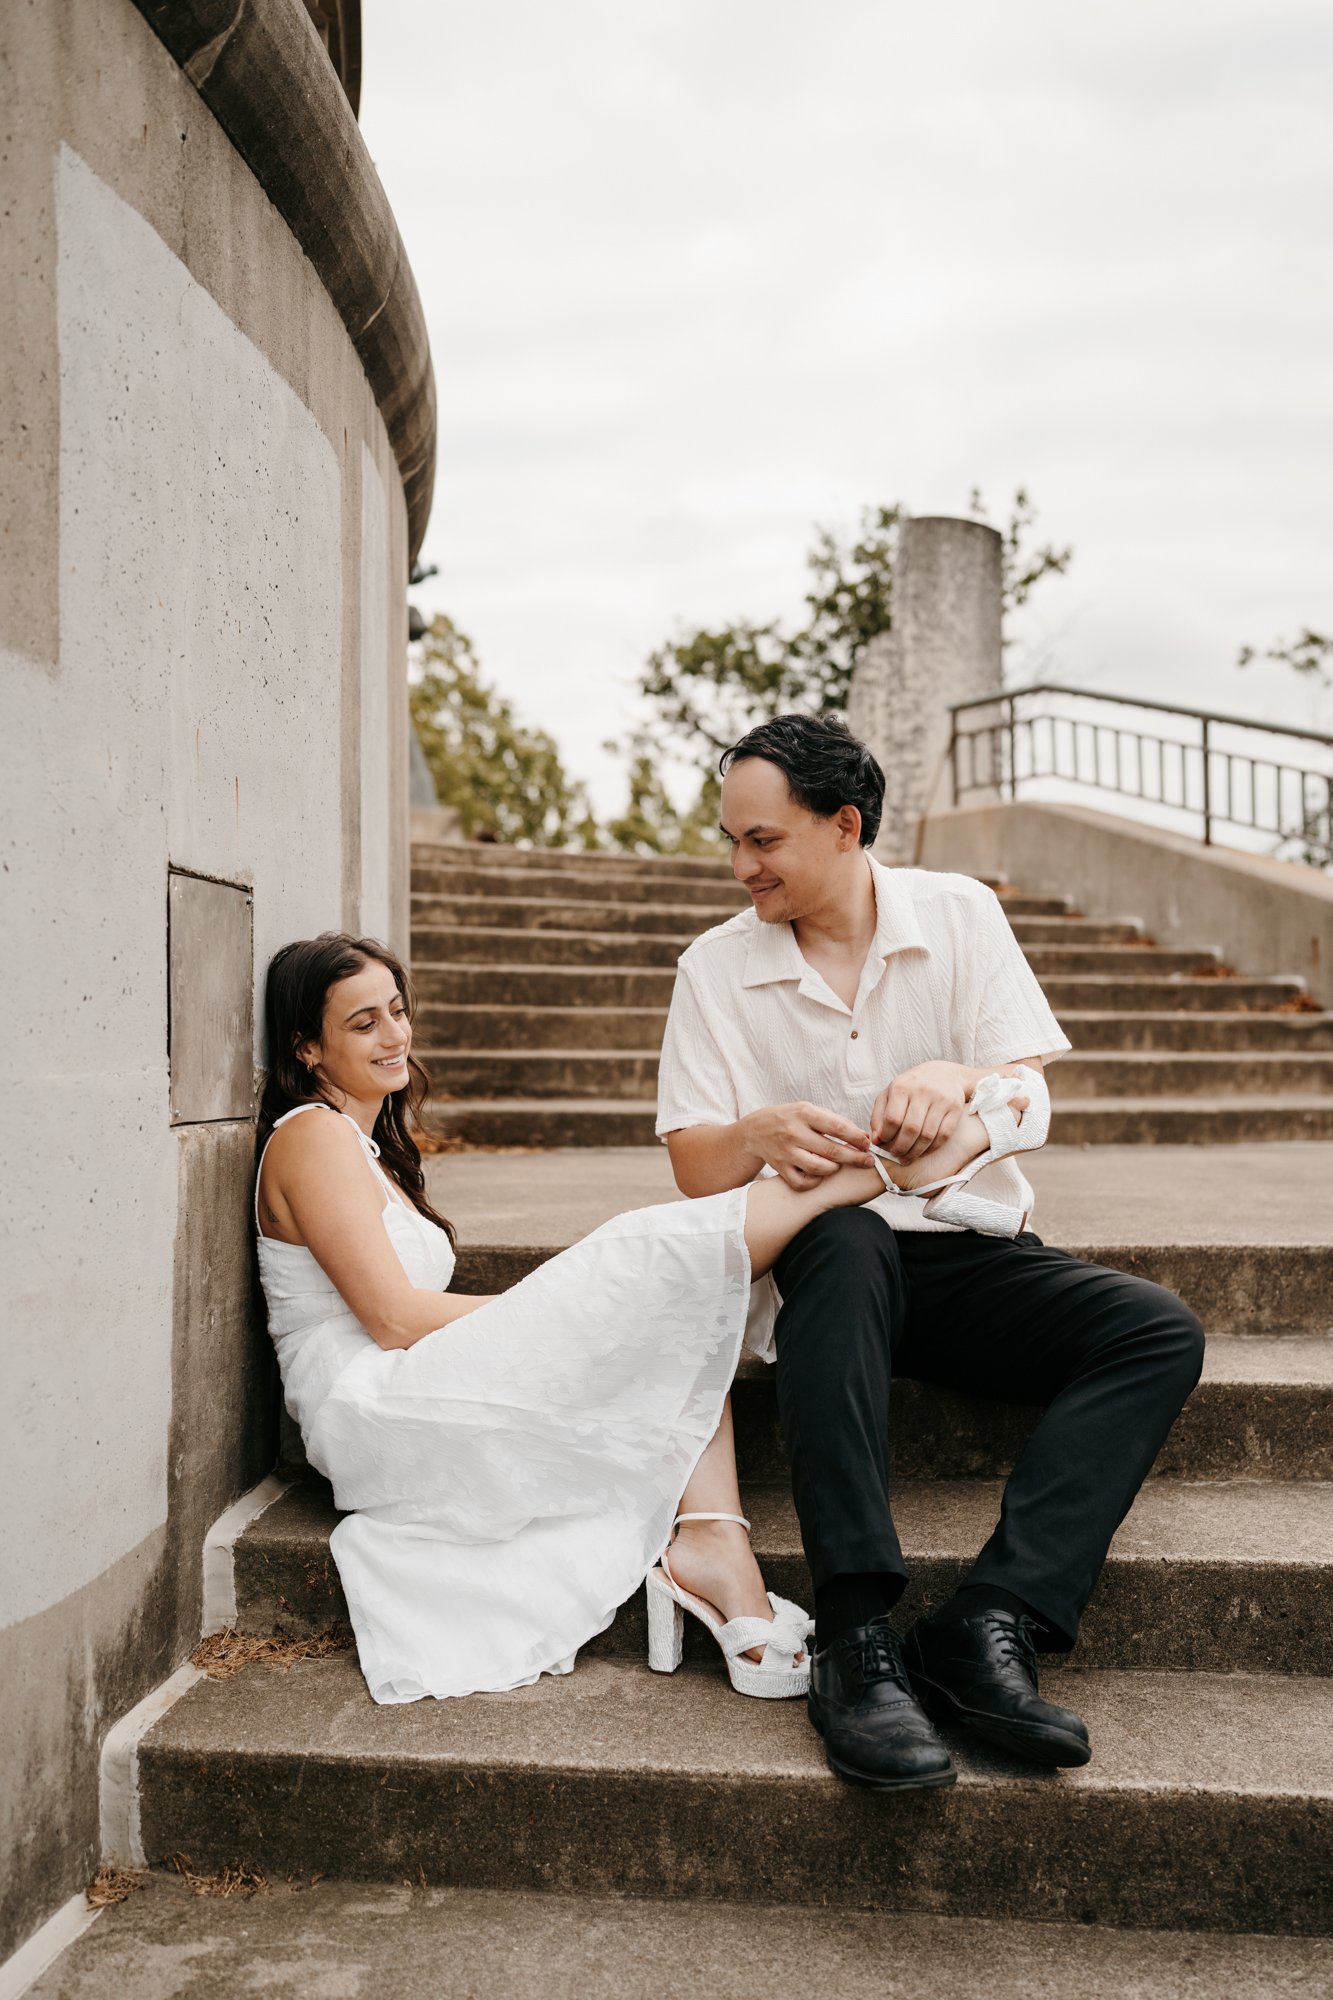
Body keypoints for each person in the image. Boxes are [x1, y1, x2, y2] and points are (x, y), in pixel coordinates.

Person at [656, 712, 1205, 1790]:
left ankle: (989, 1618)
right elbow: (690, 1163)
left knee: (1155, 1329)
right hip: (821, 1270)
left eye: (762, 840)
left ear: (843, 824)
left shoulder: (958, 913)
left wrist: (954, 1075)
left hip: (964, 1250)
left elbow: (1026, 1089)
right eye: (732, 839)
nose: (740, 866)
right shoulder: (713, 966)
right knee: (847, 1232)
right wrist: (758, 1132)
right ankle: (857, 1641)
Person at [254, 931, 993, 1707]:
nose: (395, 1034)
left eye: (398, 1011)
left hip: (396, 1386)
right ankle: (891, 1170)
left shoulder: (365, 1148)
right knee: (638, 1271)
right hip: (367, 1407)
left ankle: (714, 1542)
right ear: (308, 1048)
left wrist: (586, 1312)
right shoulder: (312, 1138)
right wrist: (568, 1308)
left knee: (659, 1303)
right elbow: (393, 1318)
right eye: (363, 1023)